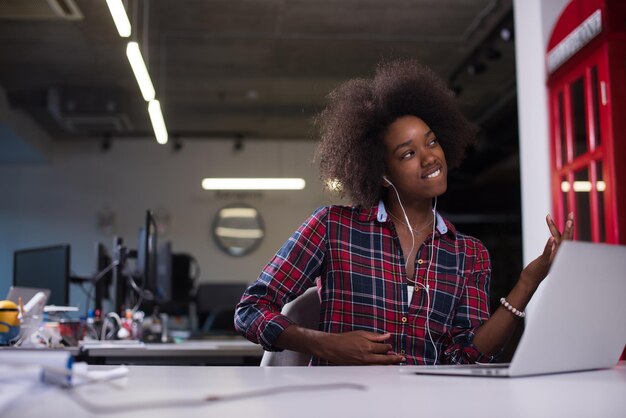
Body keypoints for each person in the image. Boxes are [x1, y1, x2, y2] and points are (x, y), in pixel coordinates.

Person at [234, 59, 574, 366]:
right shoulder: (332, 227)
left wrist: (529, 282)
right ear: (381, 172)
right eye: (407, 153)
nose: (429, 158)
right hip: (341, 403)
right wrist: (325, 345)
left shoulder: (469, 253)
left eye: (431, 142)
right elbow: (250, 311)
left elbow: (468, 355)